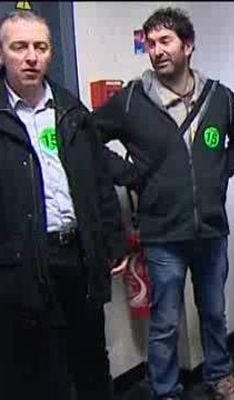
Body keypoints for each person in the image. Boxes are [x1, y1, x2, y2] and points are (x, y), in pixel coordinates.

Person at [92, 7, 234, 400]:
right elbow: (86, 137)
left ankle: (219, 375)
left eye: (165, 41)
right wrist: (126, 173)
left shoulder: (220, 97)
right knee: (165, 320)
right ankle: (165, 390)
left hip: (211, 230)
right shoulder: (132, 100)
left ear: (188, 45)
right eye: (150, 44)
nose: (156, 50)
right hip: (162, 233)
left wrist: (220, 172)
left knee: (214, 312)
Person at [0, 10, 128, 400]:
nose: (31, 57)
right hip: (22, 266)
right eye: (19, 47)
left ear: (51, 53)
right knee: (36, 370)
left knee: (91, 359)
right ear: (2, 53)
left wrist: (114, 239)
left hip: (78, 257)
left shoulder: (71, 112)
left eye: (40, 46)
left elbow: (98, 182)